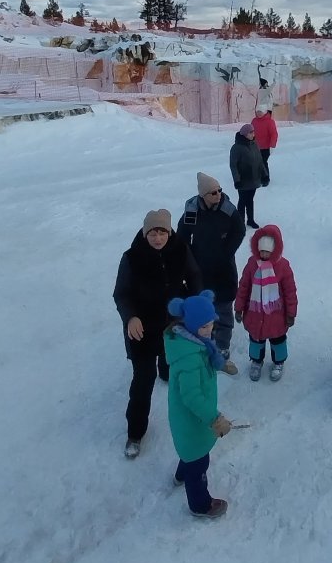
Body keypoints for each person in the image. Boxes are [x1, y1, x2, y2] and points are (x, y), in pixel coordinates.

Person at [113, 208, 202, 459]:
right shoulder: (131, 258)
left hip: (171, 323)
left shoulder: (180, 249)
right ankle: (135, 432)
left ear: (169, 231)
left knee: (169, 362)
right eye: (153, 232)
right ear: (145, 232)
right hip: (141, 328)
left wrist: (196, 306)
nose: (158, 238)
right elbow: (121, 293)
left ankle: (165, 369)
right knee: (143, 380)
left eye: (162, 232)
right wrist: (130, 317)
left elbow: (194, 276)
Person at [164, 291, 232, 519]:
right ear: (190, 325)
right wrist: (214, 418)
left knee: (189, 452)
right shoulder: (188, 356)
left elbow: (205, 364)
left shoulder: (194, 342)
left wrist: (221, 365)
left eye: (211, 324)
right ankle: (200, 504)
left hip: (192, 419)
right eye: (203, 327)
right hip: (192, 418)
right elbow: (191, 396)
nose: (209, 330)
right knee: (199, 462)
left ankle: (181, 474)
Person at [176, 172, 245, 375]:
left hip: (224, 269)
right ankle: (204, 342)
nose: (219, 195)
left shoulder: (228, 209)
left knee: (223, 308)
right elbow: (182, 236)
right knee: (203, 307)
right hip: (200, 270)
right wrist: (190, 259)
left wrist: (227, 251)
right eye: (214, 192)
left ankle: (222, 346)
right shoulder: (192, 211)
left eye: (220, 190)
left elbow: (239, 230)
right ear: (203, 195)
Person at [235, 224, 298, 382]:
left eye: (267, 252)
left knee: (278, 341)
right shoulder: (252, 264)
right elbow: (244, 287)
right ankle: (256, 361)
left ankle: (278, 362)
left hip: (276, 315)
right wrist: (239, 308)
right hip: (255, 314)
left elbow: (290, 292)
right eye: (261, 251)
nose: (263, 255)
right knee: (256, 341)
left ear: (275, 250)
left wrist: (291, 313)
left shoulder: (283, 266)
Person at [230, 123, 268, 228]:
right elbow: (233, 165)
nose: (253, 134)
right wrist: (237, 180)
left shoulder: (254, 144)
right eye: (251, 132)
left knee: (250, 200)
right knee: (242, 201)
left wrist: (264, 175)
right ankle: (240, 222)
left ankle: (250, 220)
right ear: (245, 134)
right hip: (243, 179)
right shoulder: (236, 147)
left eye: (253, 132)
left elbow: (260, 161)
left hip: (254, 178)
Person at [252, 109, 279, 183]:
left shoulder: (270, 121)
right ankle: (258, 177)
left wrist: (272, 146)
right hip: (255, 146)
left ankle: (265, 179)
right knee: (256, 162)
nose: (258, 114)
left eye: (260, 112)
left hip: (266, 147)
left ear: (264, 112)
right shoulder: (254, 121)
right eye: (257, 112)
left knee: (263, 162)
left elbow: (274, 134)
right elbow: (251, 132)